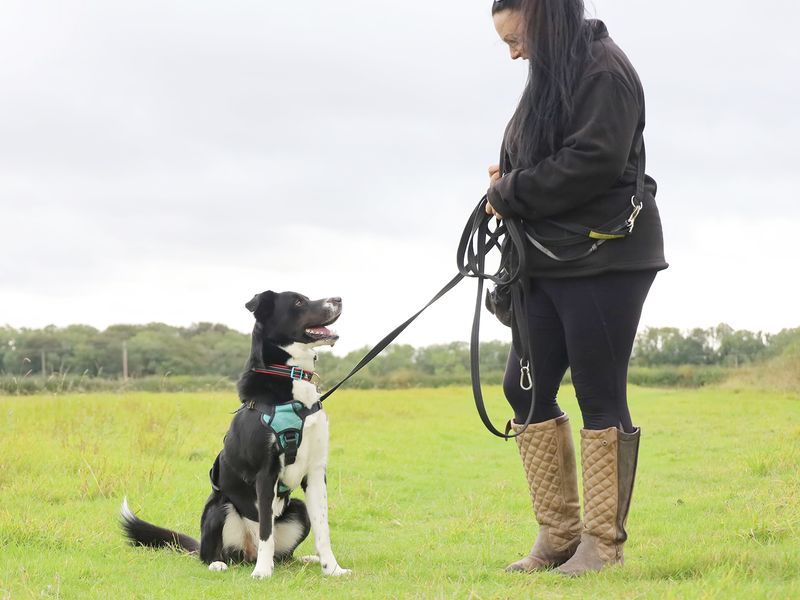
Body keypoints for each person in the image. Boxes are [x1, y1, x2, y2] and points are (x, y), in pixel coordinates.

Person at [486, 0, 668, 576]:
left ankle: (602, 544)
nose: (514, 53)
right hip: (546, 257)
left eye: (516, 39)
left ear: (542, 18)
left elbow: (592, 162)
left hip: (605, 255)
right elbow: (532, 158)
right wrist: (504, 180)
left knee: (598, 393)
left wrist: (510, 191)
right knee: (524, 391)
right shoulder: (549, 76)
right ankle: (559, 534)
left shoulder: (604, 70)